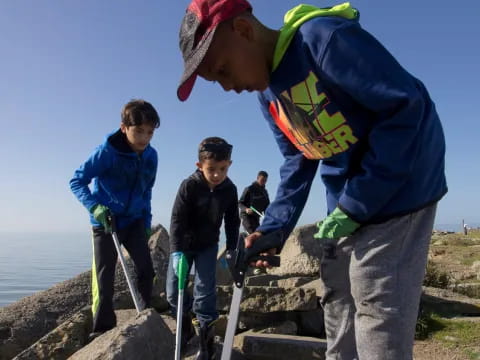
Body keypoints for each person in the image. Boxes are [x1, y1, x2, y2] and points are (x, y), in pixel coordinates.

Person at [175, 1, 448, 359]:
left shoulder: (323, 40)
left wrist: (357, 203)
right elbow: (298, 158)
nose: (227, 87)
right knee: (337, 292)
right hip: (348, 198)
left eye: (223, 70)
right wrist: (272, 229)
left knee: (375, 296)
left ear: (243, 31)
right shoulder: (267, 95)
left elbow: (404, 108)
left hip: (401, 188)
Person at [69, 99, 160, 340]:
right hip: (105, 223)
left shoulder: (151, 157)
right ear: (124, 128)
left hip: (134, 221)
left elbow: (146, 191)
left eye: (149, 132)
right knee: (104, 277)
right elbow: (77, 181)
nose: (144, 138)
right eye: (138, 131)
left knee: (146, 269)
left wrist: (147, 220)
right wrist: (94, 207)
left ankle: (144, 315)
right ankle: (102, 330)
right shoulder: (106, 153)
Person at [167, 136, 240, 359]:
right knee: (172, 291)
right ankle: (185, 328)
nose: (217, 175)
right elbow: (177, 220)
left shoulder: (229, 189)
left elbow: (232, 220)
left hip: (208, 246)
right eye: (211, 169)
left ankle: (206, 342)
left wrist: (232, 248)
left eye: (222, 169)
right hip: (184, 246)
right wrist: (176, 251)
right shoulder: (189, 186)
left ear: (229, 165)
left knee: (205, 291)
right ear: (199, 166)